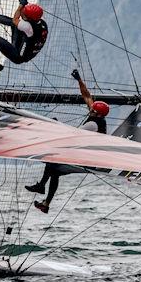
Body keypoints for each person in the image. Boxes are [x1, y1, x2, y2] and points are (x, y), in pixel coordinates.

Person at [26, 69, 109, 213]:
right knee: (54, 168)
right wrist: (79, 80)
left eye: (93, 110)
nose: (90, 109)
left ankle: (41, 187)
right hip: (84, 157)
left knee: (52, 164)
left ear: (98, 114)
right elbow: (87, 96)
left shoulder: (94, 124)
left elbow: (73, 134)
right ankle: (45, 203)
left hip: (90, 163)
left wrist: (56, 125)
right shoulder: (97, 114)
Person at [0, 0, 48, 78]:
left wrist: (21, 5)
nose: (23, 13)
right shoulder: (40, 20)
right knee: (14, 24)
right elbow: (26, 15)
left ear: (30, 19)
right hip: (27, 47)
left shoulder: (28, 27)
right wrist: (22, 1)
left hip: (18, 56)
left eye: (25, 14)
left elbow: (16, 19)